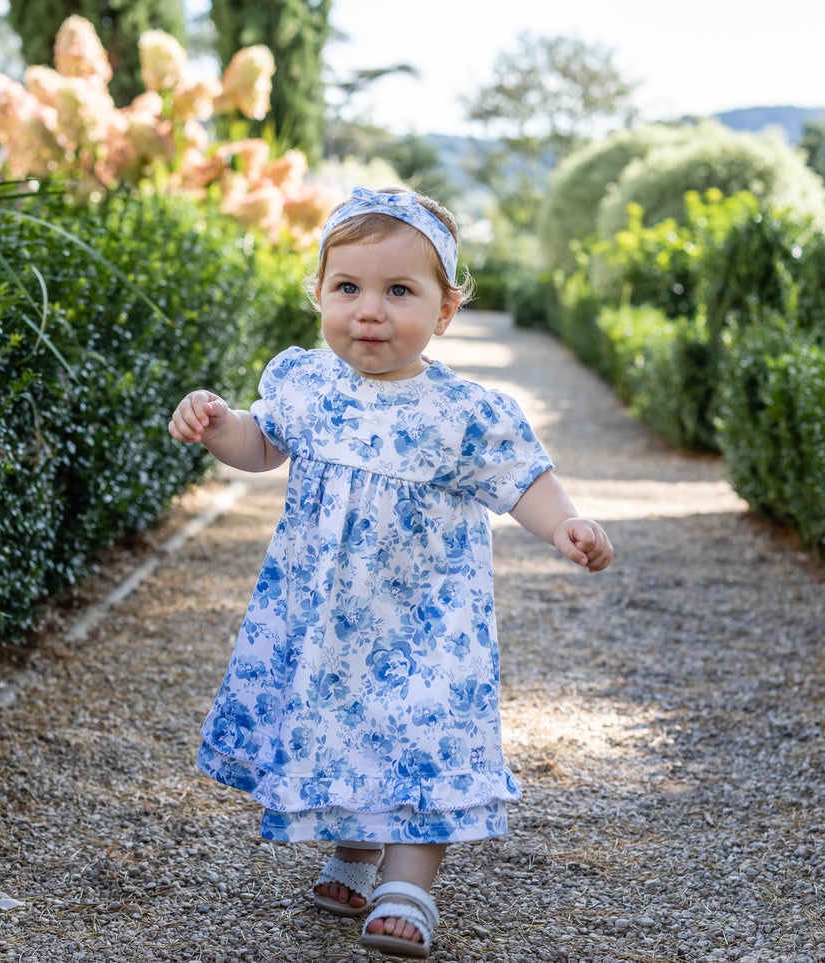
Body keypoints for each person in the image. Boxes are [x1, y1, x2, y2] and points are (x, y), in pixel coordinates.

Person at [168, 186, 613, 958]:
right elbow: (259, 445)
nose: (368, 311)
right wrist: (217, 424)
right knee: (336, 722)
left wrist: (563, 521)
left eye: (398, 291)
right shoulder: (305, 384)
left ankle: (407, 885)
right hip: (324, 615)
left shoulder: (463, 411)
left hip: (425, 620)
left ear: (443, 311)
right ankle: (352, 851)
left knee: (421, 732)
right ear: (319, 295)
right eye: (348, 288)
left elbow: (522, 479)